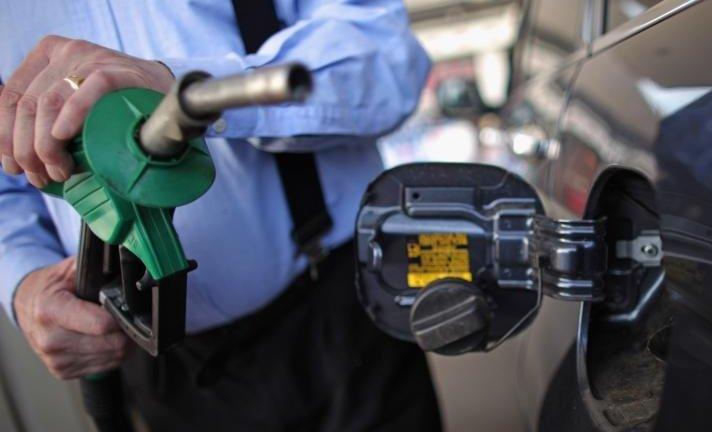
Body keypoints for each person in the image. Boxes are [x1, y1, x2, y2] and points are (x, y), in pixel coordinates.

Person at [0, 1, 441, 430]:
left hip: (338, 319)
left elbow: (389, 59)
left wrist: (190, 85)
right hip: (154, 367)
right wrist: (23, 284)